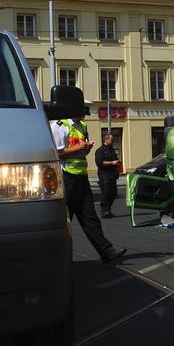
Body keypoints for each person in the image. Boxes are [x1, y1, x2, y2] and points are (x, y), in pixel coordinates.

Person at [51, 109, 127, 264]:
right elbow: (56, 153)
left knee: (90, 216)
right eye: (81, 112)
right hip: (67, 177)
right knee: (66, 219)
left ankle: (107, 252)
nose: (83, 115)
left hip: (81, 176)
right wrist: (79, 148)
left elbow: (81, 153)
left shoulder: (83, 126)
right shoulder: (59, 126)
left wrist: (86, 149)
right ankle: (57, 257)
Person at [94, 132, 121, 218]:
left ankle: (108, 209)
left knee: (113, 193)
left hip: (112, 175)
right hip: (104, 175)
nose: (113, 141)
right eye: (111, 140)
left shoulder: (111, 149)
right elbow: (99, 162)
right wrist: (112, 163)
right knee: (106, 193)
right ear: (106, 140)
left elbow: (115, 159)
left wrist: (117, 162)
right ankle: (104, 211)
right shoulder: (101, 150)